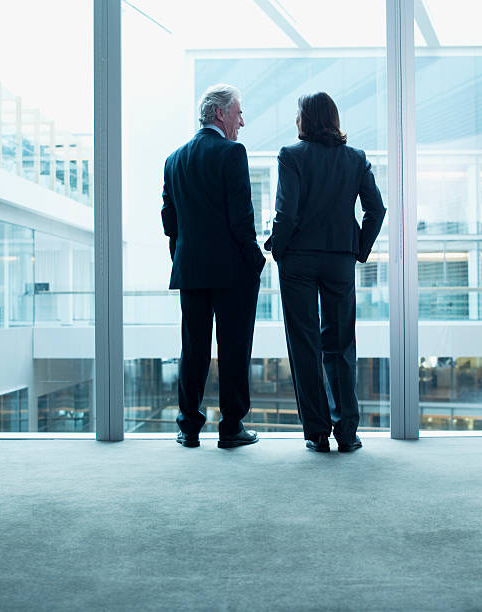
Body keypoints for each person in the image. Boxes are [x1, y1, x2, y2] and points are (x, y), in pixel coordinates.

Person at [264, 92, 385, 453]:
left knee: (305, 344)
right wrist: (358, 249)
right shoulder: (355, 158)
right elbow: (376, 209)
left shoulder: (291, 156)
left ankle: (316, 432)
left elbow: (286, 213)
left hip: (299, 259)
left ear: (305, 119)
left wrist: (278, 249)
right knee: (341, 343)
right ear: (333, 118)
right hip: (339, 259)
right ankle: (347, 432)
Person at [161, 83, 266, 449]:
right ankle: (231, 427)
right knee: (234, 348)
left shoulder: (173, 160)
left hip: (190, 269)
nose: (242, 120)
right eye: (238, 112)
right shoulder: (232, 153)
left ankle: (188, 427)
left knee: (193, 349)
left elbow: (169, 220)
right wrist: (256, 260)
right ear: (220, 114)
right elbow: (242, 217)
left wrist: (181, 255)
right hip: (231, 270)